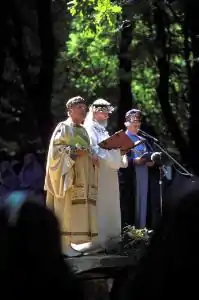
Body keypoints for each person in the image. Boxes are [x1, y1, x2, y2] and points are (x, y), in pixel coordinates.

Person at [44, 96, 98, 256]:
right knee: (65, 210)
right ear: (70, 110)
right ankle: (62, 245)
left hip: (83, 177)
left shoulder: (83, 130)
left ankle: (74, 243)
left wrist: (91, 156)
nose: (84, 110)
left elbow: (86, 150)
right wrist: (74, 152)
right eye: (80, 107)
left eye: (84, 107)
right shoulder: (64, 127)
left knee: (78, 212)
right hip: (67, 176)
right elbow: (56, 152)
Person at [84, 99, 128, 251]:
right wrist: (114, 153)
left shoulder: (104, 131)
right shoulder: (89, 128)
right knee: (101, 206)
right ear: (96, 112)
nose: (108, 115)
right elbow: (94, 150)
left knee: (112, 205)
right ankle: (100, 242)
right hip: (99, 173)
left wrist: (121, 151)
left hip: (109, 173)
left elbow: (108, 148)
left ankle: (113, 240)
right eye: (105, 112)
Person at [120, 109, 154, 229]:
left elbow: (148, 154)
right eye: (134, 120)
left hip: (144, 174)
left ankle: (144, 229)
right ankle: (132, 233)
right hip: (131, 176)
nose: (137, 123)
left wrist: (151, 162)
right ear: (126, 122)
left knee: (145, 203)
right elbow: (118, 161)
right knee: (132, 205)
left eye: (138, 120)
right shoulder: (122, 138)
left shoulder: (143, 139)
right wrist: (134, 161)